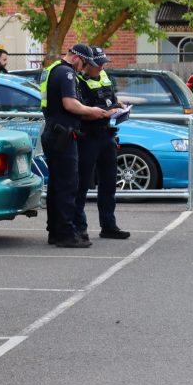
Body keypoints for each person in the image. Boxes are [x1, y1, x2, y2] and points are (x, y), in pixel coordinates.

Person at [40, 44, 112, 248]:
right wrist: (94, 112)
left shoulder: (53, 69)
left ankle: (55, 231)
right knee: (68, 185)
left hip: (53, 132)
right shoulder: (66, 73)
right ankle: (65, 233)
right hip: (62, 134)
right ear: (76, 58)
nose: (83, 69)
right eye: (84, 64)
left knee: (56, 185)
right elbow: (70, 104)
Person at [74, 46, 130, 240]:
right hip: (88, 136)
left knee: (108, 183)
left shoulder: (104, 76)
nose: (101, 67)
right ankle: (78, 228)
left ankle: (109, 225)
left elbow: (110, 99)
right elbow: (80, 112)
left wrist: (119, 105)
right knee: (81, 184)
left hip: (106, 135)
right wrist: (104, 113)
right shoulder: (78, 81)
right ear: (87, 64)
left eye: (103, 63)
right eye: (98, 64)